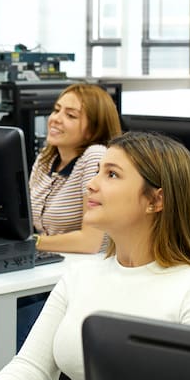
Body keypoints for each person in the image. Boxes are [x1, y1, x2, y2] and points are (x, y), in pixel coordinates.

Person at [0, 131, 190, 380]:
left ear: (156, 200)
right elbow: (33, 366)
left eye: (112, 174)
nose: (92, 184)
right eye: (97, 172)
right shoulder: (81, 276)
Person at [31, 83, 122, 255]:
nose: (56, 118)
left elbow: (89, 242)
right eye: (56, 110)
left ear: (93, 130)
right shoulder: (46, 158)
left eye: (71, 115)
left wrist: (30, 243)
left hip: (90, 266)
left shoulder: (95, 156)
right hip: (53, 262)